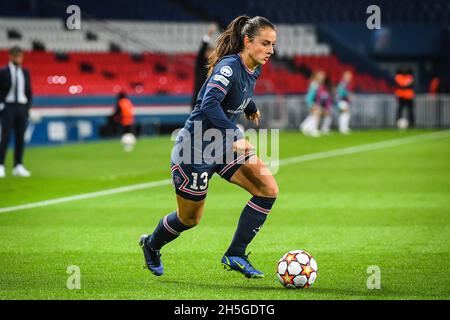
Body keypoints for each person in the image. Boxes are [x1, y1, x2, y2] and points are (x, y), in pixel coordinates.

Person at [139, 16, 278, 279]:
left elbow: (240, 91)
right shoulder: (228, 67)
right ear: (247, 42)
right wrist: (234, 133)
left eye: (273, 44)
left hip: (223, 146)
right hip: (194, 150)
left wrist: (249, 106)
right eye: (265, 43)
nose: (271, 50)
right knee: (189, 219)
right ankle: (152, 244)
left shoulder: (255, 66)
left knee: (267, 189)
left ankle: (235, 253)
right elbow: (208, 104)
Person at [0, 46, 32, 178]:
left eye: (21, 56)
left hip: (21, 107)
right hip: (8, 107)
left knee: (20, 137)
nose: (19, 59)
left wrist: (27, 107)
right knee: (5, 137)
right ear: (11, 56)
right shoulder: (3, 72)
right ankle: (1, 165)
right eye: (17, 56)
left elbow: (28, 91)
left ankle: (18, 165)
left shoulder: (25, 72)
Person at [191, 23, 218, 110]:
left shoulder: (216, 66)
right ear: (206, 53)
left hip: (210, 104)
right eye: (210, 52)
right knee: (198, 124)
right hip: (198, 104)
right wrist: (209, 34)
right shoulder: (201, 63)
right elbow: (202, 50)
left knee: (209, 124)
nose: (212, 54)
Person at [300, 70, 325, 137]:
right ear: (317, 76)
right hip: (312, 101)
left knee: (314, 115)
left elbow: (319, 95)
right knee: (316, 114)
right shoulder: (314, 84)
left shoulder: (319, 84)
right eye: (321, 75)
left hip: (315, 102)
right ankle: (313, 129)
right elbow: (310, 95)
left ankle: (305, 126)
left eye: (323, 76)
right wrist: (311, 104)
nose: (322, 77)